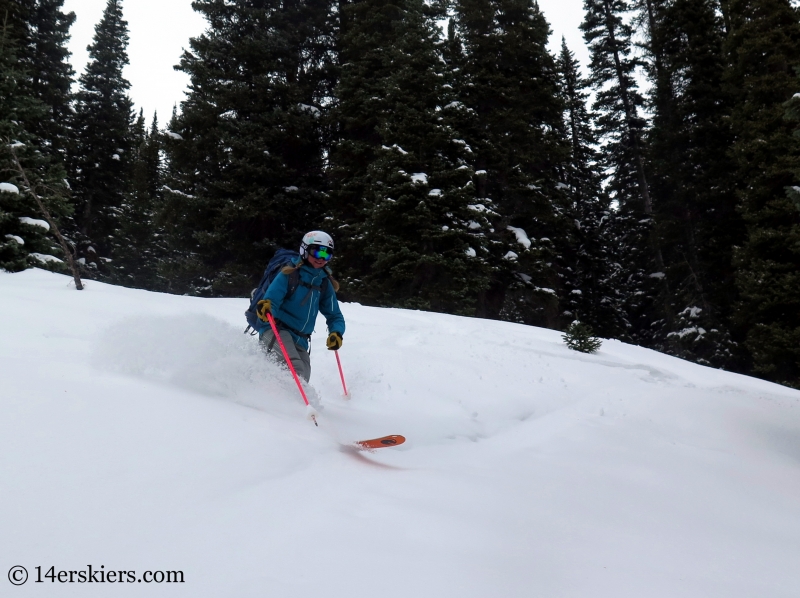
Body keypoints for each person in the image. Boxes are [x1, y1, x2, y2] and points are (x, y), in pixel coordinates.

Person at [255, 231, 345, 383]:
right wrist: (267, 308)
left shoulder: (323, 283)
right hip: (276, 329)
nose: (321, 258)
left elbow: (334, 315)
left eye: (327, 254)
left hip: (301, 339)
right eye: (317, 252)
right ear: (305, 250)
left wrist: (336, 332)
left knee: (303, 378)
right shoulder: (289, 274)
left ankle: (272, 398)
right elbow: (272, 300)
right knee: (295, 372)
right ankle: (271, 402)